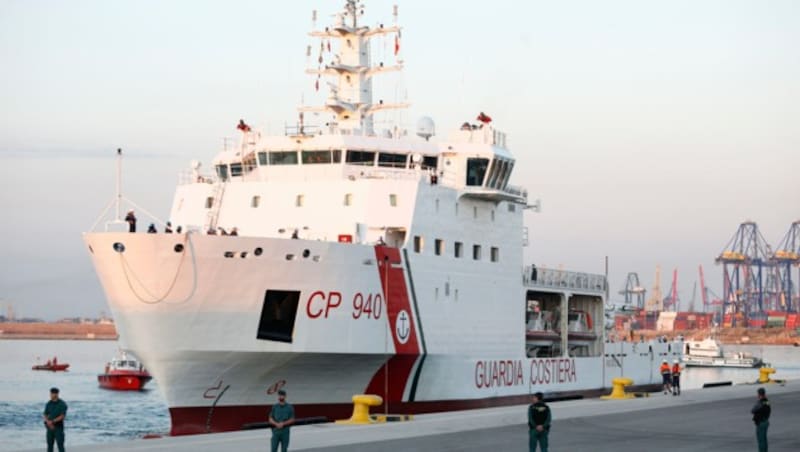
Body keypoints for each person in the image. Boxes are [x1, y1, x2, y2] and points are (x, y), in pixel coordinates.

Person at [43, 387, 67, 452]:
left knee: (60, 445)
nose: (50, 395)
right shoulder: (49, 403)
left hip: (58, 427)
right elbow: (45, 414)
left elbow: (62, 416)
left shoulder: (62, 404)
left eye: (52, 394)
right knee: (49, 446)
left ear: (56, 394)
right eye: (50, 393)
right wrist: (48, 422)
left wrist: (52, 421)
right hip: (49, 428)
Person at [751, 387, 771, 452]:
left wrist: (758, 400)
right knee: (764, 440)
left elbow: (753, 410)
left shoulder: (760, 402)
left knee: (761, 440)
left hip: (761, 423)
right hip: (766, 421)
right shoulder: (767, 401)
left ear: (759, 394)